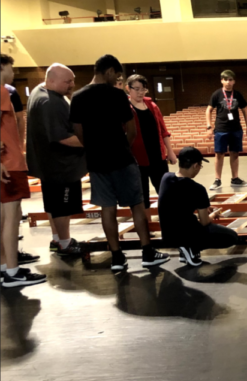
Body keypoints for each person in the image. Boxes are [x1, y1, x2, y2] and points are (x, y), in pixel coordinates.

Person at [70, 54, 169, 272]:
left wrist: (93, 149)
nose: (117, 80)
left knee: (107, 208)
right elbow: (132, 129)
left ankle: (116, 257)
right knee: (136, 204)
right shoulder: (116, 96)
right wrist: (123, 146)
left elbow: (78, 132)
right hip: (122, 158)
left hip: (96, 162)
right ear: (108, 71)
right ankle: (147, 252)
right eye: (116, 75)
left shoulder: (77, 97)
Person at [25, 63, 87, 259]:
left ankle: (56, 239)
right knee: (62, 206)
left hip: (48, 164)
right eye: (67, 81)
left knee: (52, 204)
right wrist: (92, 142)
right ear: (50, 80)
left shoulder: (38, 91)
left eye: (72, 80)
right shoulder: (50, 102)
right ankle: (65, 243)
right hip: (61, 166)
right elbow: (62, 137)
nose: (72, 85)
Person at [1, 54, 45, 288]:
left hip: (6, 162)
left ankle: (3, 267)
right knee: (12, 217)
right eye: (10, 68)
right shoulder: (1, 92)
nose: (13, 73)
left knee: (3, 218)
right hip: (8, 164)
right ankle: (12, 272)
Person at [157, 147, 240, 267]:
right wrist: (214, 214)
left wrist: (203, 206)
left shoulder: (166, 178)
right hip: (187, 234)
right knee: (231, 237)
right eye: (200, 166)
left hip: (168, 235)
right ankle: (191, 247)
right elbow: (205, 222)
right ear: (195, 165)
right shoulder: (198, 189)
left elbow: (178, 202)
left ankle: (186, 249)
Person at [126, 74, 176, 208]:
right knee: (142, 198)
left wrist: (170, 152)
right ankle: (145, 226)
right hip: (137, 160)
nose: (140, 92)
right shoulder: (124, 108)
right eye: (136, 89)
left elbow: (163, 131)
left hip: (157, 157)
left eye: (143, 89)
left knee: (166, 193)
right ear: (128, 89)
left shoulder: (152, 106)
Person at [205, 69, 247, 190]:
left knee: (235, 153)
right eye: (225, 80)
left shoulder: (238, 94)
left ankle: (235, 179)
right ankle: (217, 180)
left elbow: (245, 110)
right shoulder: (217, 94)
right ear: (221, 81)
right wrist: (209, 127)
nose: (228, 82)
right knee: (219, 154)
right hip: (221, 129)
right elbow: (208, 110)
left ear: (234, 81)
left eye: (230, 80)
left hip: (236, 129)